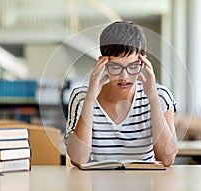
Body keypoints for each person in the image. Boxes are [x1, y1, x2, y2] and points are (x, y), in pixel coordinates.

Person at [65, 21, 178, 167]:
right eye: (115, 67)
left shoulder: (161, 96)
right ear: (102, 63)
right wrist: (90, 99)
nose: (124, 76)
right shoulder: (81, 97)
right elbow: (78, 158)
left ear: (143, 63)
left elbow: (167, 159)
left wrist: (153, 99)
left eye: (132, 67)